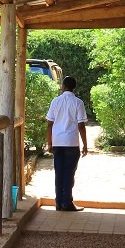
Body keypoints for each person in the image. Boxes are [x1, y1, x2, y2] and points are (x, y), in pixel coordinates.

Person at [46, 75, 89, 211]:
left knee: (59, 172)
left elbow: (49, 123)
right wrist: (85, 145)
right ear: (74, 88)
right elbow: (81, 125)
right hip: (71, 142)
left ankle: (59, 202)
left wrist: (50, 143)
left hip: (57, 142)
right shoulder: (78, 103)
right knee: (69, 173)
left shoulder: (55, 101)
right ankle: (67, 202)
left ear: (63, 86)